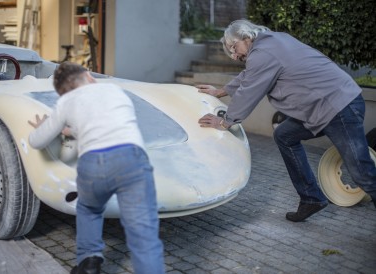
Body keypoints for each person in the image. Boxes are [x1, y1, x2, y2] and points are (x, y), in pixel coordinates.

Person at [197, 19, 376, 222]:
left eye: (234, 48)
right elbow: (250, 75)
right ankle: (311, 199)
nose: (235, 55)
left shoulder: (263, 52)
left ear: (246, 37)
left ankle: (312, 198)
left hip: (339, 107)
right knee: (284, 135)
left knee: (362, 172)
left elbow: (249, 90)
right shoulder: (273, 41)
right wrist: (221, 91)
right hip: (324, 108)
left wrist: (225, 121)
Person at [28, 62, 165, 274]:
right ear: (88, 76)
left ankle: (89, 263)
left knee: (89, 209)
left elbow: (37, 141)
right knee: (143, 233)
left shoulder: (66, 101)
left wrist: (44, 128)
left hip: (93, 163)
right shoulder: (115, 90)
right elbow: (107, 121)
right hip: (131, 158)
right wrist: (73, 129)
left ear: (63, 91)